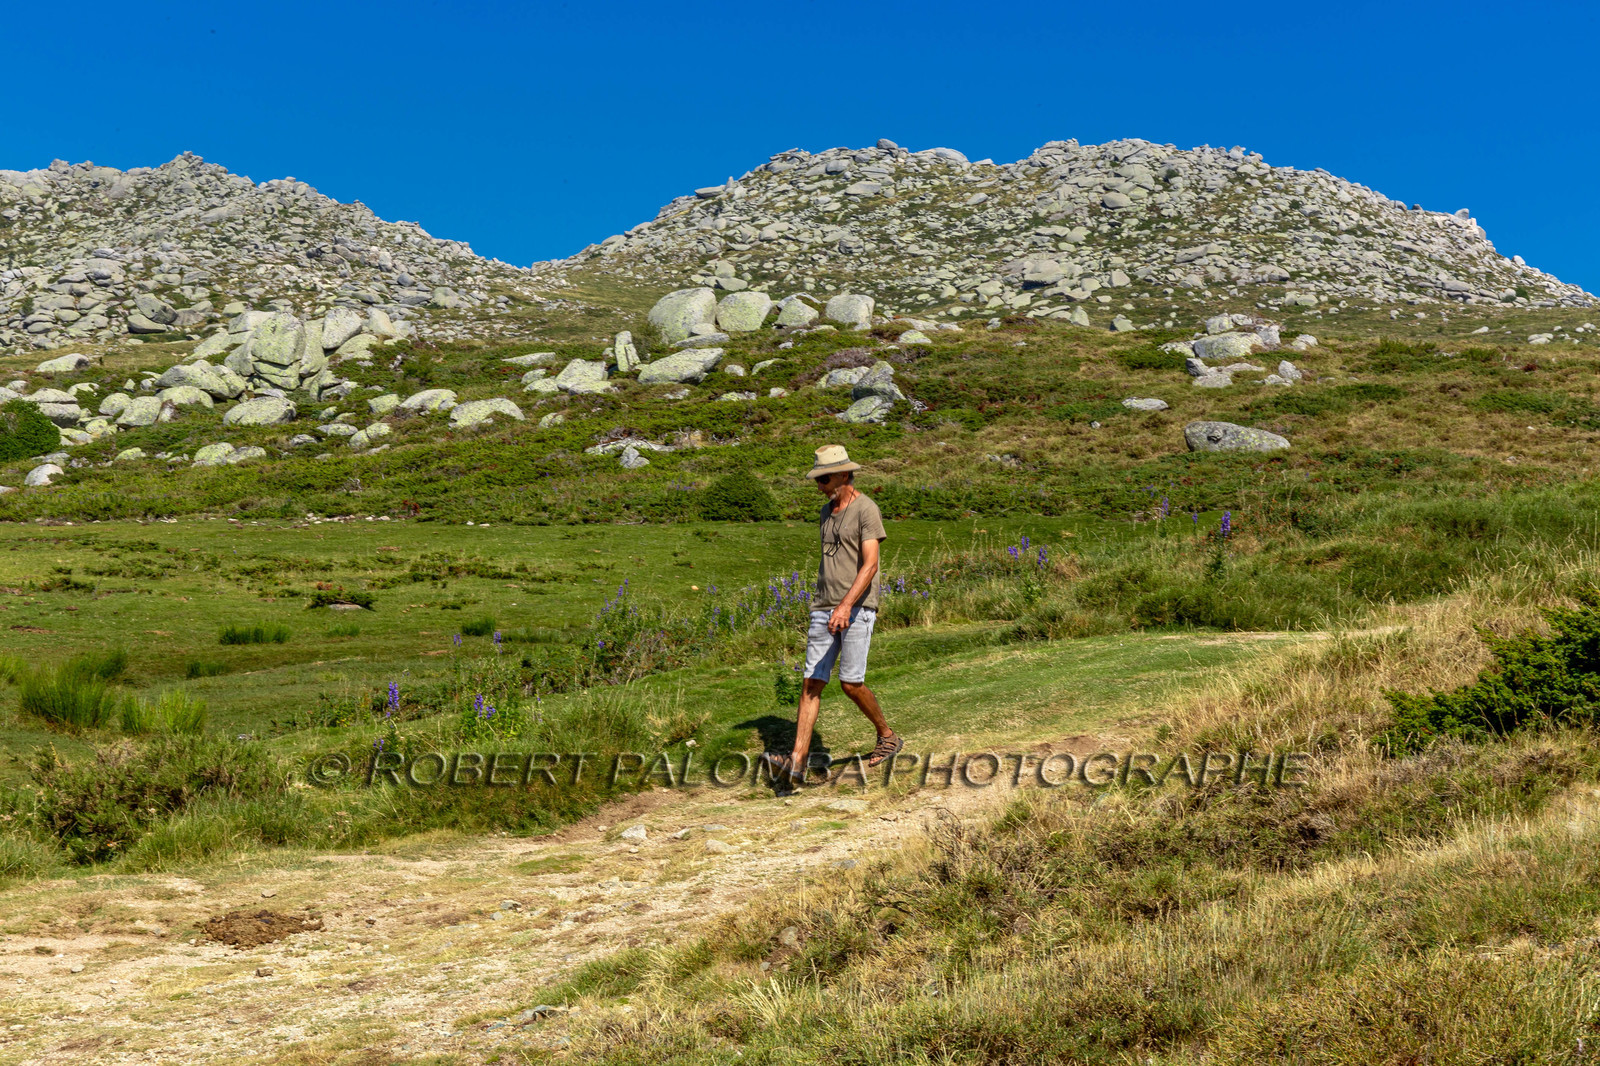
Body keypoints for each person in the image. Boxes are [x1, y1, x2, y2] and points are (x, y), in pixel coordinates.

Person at [764, 444, 902, 792]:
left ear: (843, 473)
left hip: (856, 607)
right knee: (811, 681)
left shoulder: (867, 509)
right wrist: (827, 604)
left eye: (825, 478)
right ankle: (797, 761)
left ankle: (887, 736)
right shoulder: (826, 511)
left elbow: (870, 565)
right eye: (817, 479)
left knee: (850, 683)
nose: (820, 484)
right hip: (823, 606)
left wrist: (845, 606)